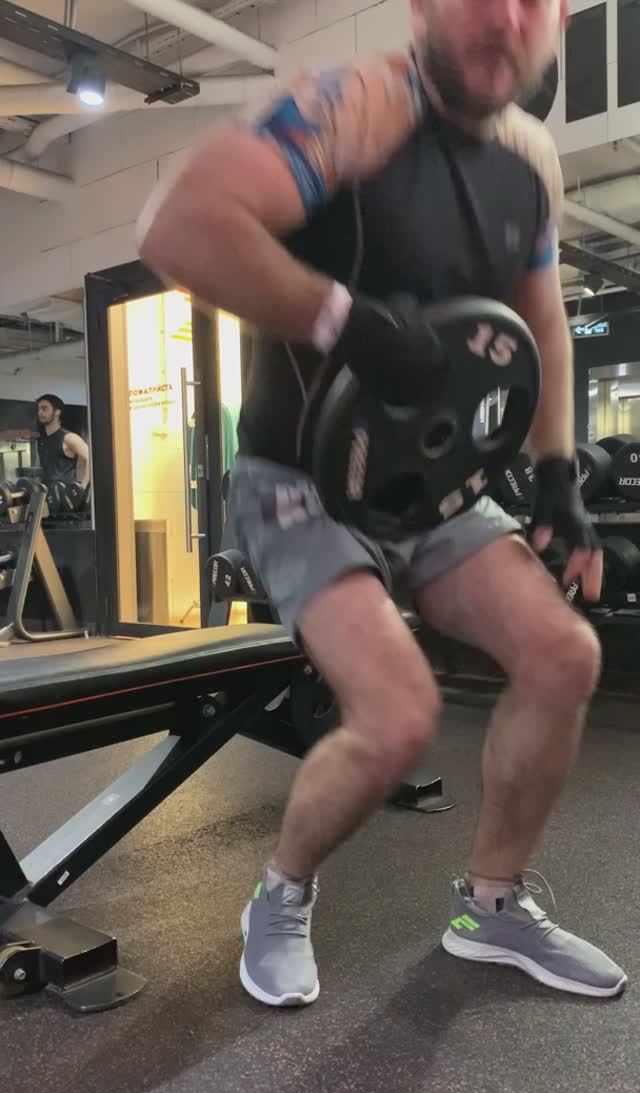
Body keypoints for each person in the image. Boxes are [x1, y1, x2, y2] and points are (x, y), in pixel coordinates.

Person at [138, 0, 627, 1006]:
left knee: (564, 654)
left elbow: (541, 320)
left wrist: (556, 475)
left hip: (430, 485)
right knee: (400, 713)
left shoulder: (528, 163)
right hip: (298, 480)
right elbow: (179, 228)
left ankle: (490, 907)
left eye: (532, 0)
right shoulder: (348, 109)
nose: (506, 18)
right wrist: (343, 318)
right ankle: (279, 893)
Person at [36, 394, 90, 490]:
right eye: (39, 409)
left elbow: (90, 458)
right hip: (47, 494)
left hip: (65, 495)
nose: (40, 412)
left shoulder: (69, 438)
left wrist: (83, 486)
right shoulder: (42, 439)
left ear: (57, 412)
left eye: (44, 408)